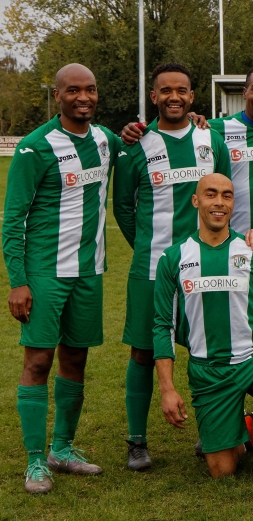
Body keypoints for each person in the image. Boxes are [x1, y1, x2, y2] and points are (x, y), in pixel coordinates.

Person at [153, 173, 253, 484]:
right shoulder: (173, 258)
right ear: (196, 200)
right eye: (211, 194)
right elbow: (162, 326)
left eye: (227, 196)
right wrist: (167, 389)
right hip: (209, 372)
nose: (219, 202)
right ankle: (241, 429)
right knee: (222, 471)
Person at [3, 64, 117, 493]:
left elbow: (146, 142)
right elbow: (13, 219)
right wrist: (19, 280)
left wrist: (201, 120)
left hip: (88, 271)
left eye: (90, 89)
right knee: (37, 361)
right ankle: (35, 461)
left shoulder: (105, 140)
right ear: (58, 94)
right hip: (45, 274)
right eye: (73, 90)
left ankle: (62, 449)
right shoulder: (36, 147)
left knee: (76, 360)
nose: (83, 97)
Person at [113, 62, 232, 472]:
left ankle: (212, 430)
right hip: (151, 269)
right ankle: (136, 440)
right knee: (143, 352)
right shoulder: (136, 146)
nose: (174, 97)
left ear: (193, 96)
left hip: (207, 264)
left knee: (208, 348)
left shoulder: (209, 138)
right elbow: (123, 209)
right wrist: (152, 250)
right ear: (154, 97)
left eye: (182, 90)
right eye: (166, 91)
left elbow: (224, 193)